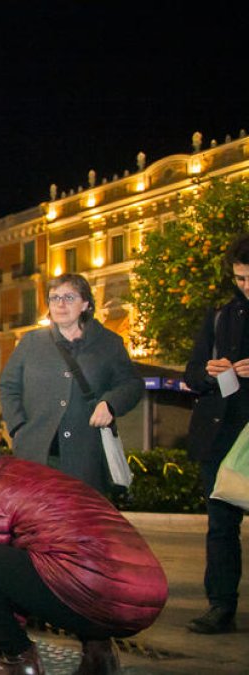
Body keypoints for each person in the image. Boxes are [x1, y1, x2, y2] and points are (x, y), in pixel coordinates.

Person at [0, 444, 167, 674]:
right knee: (71, 561)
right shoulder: (39, 475)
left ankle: (20, 662)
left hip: (99, 592)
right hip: (148, 595)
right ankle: (99, 656)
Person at [0, 273, 143, 492]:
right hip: (36, 455)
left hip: (86, 456)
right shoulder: (31, 342)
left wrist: (110, 404)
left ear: (85, 304)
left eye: (69, 297)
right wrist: (18, 427)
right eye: (54, 298)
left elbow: (131, 384)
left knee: (80, 523)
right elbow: (9, 386)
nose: (60, 304)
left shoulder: (109, 344)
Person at [182, 233, 249, 635]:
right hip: (220, 436)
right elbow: (191, 372)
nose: (246, 286)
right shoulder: (219, 315)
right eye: (240, 278)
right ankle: (220, 605)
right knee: (220, 527)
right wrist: (206, 372)